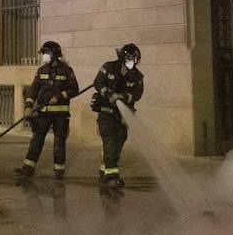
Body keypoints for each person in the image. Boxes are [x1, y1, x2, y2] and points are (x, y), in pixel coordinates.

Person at [19, 40, 79, 181]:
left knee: (59, 143)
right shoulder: (42, 70)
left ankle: (59, 171)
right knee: (37, 140)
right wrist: (28, 107)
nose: (44, 56)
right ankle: (28, 168)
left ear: (54, 54)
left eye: (46, 53)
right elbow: (33, 90)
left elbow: (74, 89)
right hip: (43, 113)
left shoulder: (67, 70)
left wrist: (59, 96)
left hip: (60, 114)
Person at [90, 43, 144, 188]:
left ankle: (104, 172)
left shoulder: (137, 76)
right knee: (110, 143)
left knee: (119, 142)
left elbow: (137, 94)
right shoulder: (108, 67)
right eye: (129, 59)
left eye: (135, 59)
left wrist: (123, 96)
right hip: (107, 112)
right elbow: (98, 82)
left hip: (123, 116)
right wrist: (108, 93)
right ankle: (112, 177)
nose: (132, 62)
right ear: (122, 57)